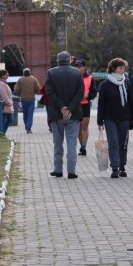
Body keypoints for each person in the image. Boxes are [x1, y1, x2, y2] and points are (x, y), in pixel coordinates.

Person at [45, 51, 84, 179]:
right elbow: (80, 92)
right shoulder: (77, 73)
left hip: (57, 114)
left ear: (57, 60)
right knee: (72, 144)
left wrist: (62, 107)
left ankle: (58, 169)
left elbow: (50, 92)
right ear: (69, 60)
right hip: (73, 114)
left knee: (58, 143)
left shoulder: (51, 72)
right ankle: (71, 171)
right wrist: (70, 108)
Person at [96, 58, 133, 178]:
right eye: (120, 68)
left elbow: (132, 101)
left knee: (123, 143)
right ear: (113, 69)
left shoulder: (127, 82)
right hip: (110, 118)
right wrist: (100, 121)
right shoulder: (105, 84)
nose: (123, 70)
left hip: (125, 117)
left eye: (124, 68)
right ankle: (115, 167)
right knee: (113, 142)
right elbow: (101, 104)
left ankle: (122, 165)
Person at [74, 58, 98, 156]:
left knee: (85, 126)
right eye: (77, 66)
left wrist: (87, 96)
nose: (78, 68)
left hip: (85, 105)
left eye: (80, 66)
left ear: (84, 67)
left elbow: (94, 92)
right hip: (75, 105)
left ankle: (84, 146)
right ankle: (82, 147)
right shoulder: (73, 77)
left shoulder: (90, 78)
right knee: (78, 128)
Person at [14, 68, 41, 133]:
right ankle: (28, 127)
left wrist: (20, 93)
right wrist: (35, 92)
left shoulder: (20, 79)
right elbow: (38, 88)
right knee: (30, 114)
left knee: (25, 114)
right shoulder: (34, 79)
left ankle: (26, 125)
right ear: (29, 72)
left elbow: (16, 89)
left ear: (23, 73)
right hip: (31, 99)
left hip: (24, 99)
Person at [0, 70, 14, 134]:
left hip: (5, 105)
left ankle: (2, 134)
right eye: (6, 75)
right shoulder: (0, 84)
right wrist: (10, 103)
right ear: (2, 75)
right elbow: (4, 96)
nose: (7, 76)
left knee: (9, 120)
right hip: (3, 106)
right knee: (5, 120)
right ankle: (2, 134)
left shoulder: (3, 83)